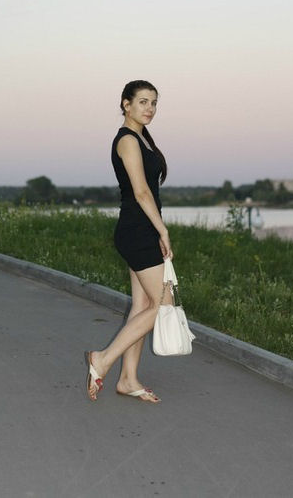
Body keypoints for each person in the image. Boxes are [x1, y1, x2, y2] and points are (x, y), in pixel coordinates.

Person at [85, 80, 173, 403]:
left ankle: (128, 379)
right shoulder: (126, 140)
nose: (150, 108)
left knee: (142, 305)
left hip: (140, 229)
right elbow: (141, 192)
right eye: (143, 102)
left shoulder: (142, 138)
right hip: (138, 230)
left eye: (154, 103)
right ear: (126, 104)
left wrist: (157, 228)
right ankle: (103, 359)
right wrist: (163, 231)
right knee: (164, 305)